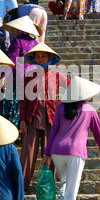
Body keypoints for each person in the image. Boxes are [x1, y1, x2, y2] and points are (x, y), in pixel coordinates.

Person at [43, 76, 100, 200]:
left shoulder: (60, 109)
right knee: (72, 190)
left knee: (64, 180)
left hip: (57, 151)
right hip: (75, 153)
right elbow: (99, 136)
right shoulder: (90, 110)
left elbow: (54, 131)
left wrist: (46, 153)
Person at [19, 43, 70, 191]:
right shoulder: (28, 77)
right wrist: (22, 120)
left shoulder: (56, 75)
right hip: (31, 119)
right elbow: (22, 101)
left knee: (50, 155)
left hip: (51, 120)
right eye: (38, 56)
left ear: (49, 57)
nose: (40, 59)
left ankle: (47, 186)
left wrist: (62, 101)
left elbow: (71, 87)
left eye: (43, 56)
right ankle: (22, 186)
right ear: (33, 58)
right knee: (27, 154)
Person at [2, 15, 41, 126]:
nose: (14, 30)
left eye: (15, 28)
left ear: (19, 29)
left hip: (16, 80)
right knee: (27, 106)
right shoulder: (35, 43)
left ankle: (13, 132)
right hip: (32, 79)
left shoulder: (17, 41)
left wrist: (4, 76)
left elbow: (12, 61)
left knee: (14, 106)